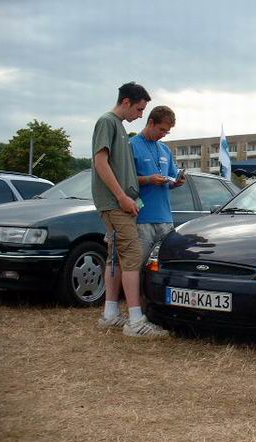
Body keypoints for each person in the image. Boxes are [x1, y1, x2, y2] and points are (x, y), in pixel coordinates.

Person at [92, 81, 168, 337]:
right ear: (126, 102)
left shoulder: (120, 128)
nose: (140, 115)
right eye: (138, 109)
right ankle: (136, 321)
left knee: (116, 256)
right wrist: (122, 196)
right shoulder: (108, 122)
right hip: (116, 203)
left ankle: (110, 313)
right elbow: (100, 161)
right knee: (133, 254)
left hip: (122, 203)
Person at [131, 106, 184, 261]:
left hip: (165, 219)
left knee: (163, 265)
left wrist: (177, 182)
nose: (163, 135)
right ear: (151, 123)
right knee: (138, 266)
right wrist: (148, 179)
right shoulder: (131, 145)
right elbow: (123, 180)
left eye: (166, 132)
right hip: (142, 219)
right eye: (161, 130)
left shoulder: (164, 149)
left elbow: (172, 178)